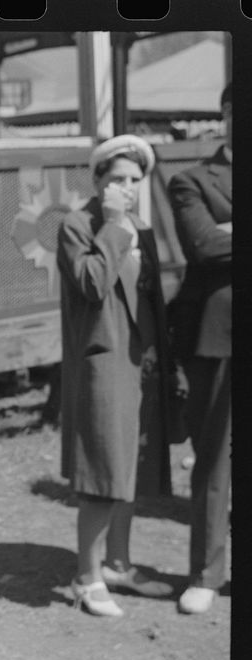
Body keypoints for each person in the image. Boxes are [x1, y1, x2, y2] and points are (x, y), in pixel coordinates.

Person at [59, 135, 176, 617]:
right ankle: (86, 577)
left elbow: (150, 297)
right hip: (102, 363)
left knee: (130, 470)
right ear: (98, 181)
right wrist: (111, 224)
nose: (127, 189)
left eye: (134, 180)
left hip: (141, 363)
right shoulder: (78, 225)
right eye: (117, 179)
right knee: (102, 473)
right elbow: (90, 284)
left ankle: (118, 564)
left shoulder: (141, 227)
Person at [168, 83, 232, 615]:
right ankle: (208, 573)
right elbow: (205, 245)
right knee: (213, 458)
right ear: (228, 115)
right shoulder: (190, 179)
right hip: (221, 332)